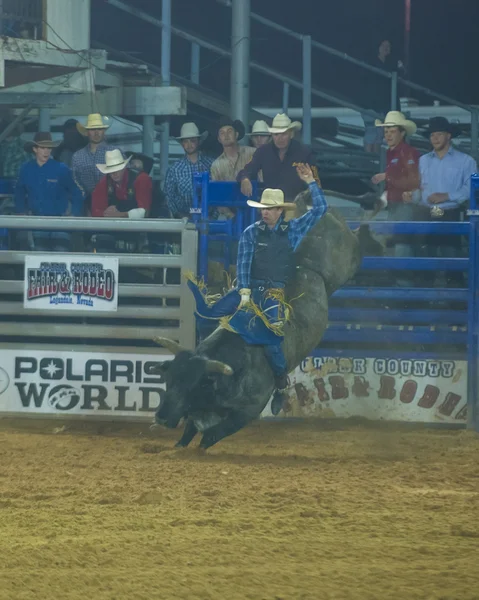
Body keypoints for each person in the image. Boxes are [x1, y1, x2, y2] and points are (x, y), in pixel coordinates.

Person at [238, 163, 327, 412]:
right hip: (251, 290)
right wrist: (244, 292)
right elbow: (243, 264)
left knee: (271, 340)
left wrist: (311, 182)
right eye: (262, 209)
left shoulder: (293, 229)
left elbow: (321, 209)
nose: (264, 213)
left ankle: (279, 384)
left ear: (279, 211)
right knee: (224, 329)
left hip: (275, 293)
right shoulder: (250, 233)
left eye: (269, 209)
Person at [405, 116, 477, 287]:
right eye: (432, 135)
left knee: (451, 258)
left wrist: (447, 196)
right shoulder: (422, 161)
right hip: (425, 213)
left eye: (438, 134)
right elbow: (418, 188)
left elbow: (472, 187)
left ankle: (455, 302)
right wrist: (411, 195)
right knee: (424, 259)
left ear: (448, 136)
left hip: (449, 214)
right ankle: (425, 300)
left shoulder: (466, 161)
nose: (435, 138)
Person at [371, 111, 420, 285]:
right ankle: (403, 293)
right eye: (386, 132)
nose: (388, 135)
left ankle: (405, 293)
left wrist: (387, 177)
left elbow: (413, 180)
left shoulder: (408, 152)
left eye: (392, 131)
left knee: (401, 250)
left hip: (404, 207)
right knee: (397, 250)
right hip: (395, 206)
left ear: (402, 132)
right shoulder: (394, 153)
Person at [14, 132, 84, 252]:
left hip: (60, 223)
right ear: (35, 149)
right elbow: (19, 193)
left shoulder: (62, 169)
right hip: (37, 223)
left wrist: (73, 214)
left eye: (49, 148)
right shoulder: (25, 169)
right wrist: (21, 212)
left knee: (61, 258)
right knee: (39, 260)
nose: (46, 151)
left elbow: (77, 192)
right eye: (42, 148)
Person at [237, 113, 318, 202]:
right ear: (271, 135)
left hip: (297, 206)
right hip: (271, 207)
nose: (280, 138)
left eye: (283, 134)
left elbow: (316, 181)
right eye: (276, 135)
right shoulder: (263, 152)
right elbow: (247, 170)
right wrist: (245, 179)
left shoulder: (304, 152)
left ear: (291, 134)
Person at [91, 149, 152, 253]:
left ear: (124, 167)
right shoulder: (104, 183)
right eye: (111, 170)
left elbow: (145, 212)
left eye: (118, 169)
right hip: (114, 229)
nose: (114, 173)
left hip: (138, 229)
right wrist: (109, 215)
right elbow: (96, 211)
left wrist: (119, 215)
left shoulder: (141, 179)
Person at [362, 40, 404, 153]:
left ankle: (375, 162)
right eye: (383, 45)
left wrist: (400, 68)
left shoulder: (389, 64)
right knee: (371, 133)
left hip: (382, 107)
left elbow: (398, 79)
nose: (386, 48)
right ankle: (368, 161)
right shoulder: (371, 62)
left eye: (389, 46)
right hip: (370, 105)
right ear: (378, 48)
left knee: (379, 135)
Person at [164, 122, 213, 218]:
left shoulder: (211, 165)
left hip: (209, 218)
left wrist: (213, 217)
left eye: (192, 140)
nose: (189, 145)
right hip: (183, 218)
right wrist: (179, 215)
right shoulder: (174, 169)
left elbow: (218, 193)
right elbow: (168, 195)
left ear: (199, 141)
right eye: (185, 141)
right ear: (182, 144)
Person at [71, 113, 118, 211]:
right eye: (93, 129)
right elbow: (75, 182)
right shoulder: (78, 156)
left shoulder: (115, 152)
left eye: (99, 129)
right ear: (87, 132)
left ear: (104, 131)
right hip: (87, 204)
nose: (96, 133)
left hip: (113, 203)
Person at [210, 117, 255, 182]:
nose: (226, 135)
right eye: (222, 133)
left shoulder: (252, 153)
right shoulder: (216, 165)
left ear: (236, 134)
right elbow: (217, 190)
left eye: (229, 131)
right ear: (219, 139)